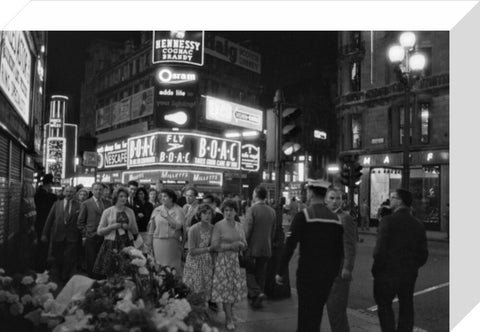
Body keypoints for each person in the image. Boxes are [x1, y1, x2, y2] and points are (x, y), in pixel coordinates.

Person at [275, 179, 344, 332]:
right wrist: (334, 274)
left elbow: (290, 245)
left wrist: (280, 271)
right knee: (317, 311)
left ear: (311, 193)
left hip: (307, 274)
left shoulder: (304, 216)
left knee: (305, 314)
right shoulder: (336, 220)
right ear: (325, 194)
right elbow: (339, 251)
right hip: (326, 276)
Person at [372, 189, 428, 332]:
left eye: (392, 197)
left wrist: (377, 269)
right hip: (408, 273)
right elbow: (423, 254)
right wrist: (413, 265)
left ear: (400, 201)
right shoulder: (418, 224)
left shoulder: (388, 221)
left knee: (384, 306)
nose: (390, 200)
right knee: (406, 306)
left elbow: (380, 250)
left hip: (387, 272)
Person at [211, 199, 247, 331]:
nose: (228, 213)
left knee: (233, 290)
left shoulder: (239, 225)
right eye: (226, 210)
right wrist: (231, 246)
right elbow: (214, 246)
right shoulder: (219, 225)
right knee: (226, 291)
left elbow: (244, 242)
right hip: (222, 261)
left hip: (235, 261)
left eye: (231, 210)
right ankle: (229, 318)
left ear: (235, 211)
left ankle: (229, 313)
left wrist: (242, 246)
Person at [325, 188, 357, 332]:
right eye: (331, 198)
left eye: (337, 198)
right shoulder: (324, 216)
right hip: (325, 269)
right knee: (331, 309)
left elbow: (350, 245)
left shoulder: (345, 218)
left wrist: (347, 267)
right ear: (325, 199)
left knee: (336, 309)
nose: (335, 201)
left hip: (338, 271)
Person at [93, 187, 139, 278]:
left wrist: (128, 227)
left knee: (127, 273)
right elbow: (99, 231)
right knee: (111, 274)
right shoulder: (108, 211)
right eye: (121, 196)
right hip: (111, 245)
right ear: (115, 198)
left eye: (125, 196)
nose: (124, 198)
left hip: (127, 244)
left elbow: (135, 231)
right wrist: (111, 227)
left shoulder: (130, 211)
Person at [244, 185, 276, 308]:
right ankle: (258, 297)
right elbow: (273, 231)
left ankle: (256, 293)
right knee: (261, 273)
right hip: (266, 248)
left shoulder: (252, 210)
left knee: (250, 272)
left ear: (256, 195)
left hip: (253, 248)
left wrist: (244, 244)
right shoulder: (272, 211)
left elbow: (247, 231)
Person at [41, 185, 81, 282]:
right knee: (57, 257)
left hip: (72, 236)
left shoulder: (79, 205)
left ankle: (65, 276)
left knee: (69, 258)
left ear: (74, 193)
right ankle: (58, 275)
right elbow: (49, 220)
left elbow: (82, 221)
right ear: (63, 193)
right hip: (58, 235)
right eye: (67, 191)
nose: (69, 193)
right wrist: (44, 234)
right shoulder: (56, 204)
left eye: (71, 192)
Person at [77, 182, 111, 279]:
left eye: (100, 189)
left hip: (105, 236)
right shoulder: (86, 204)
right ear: (92, 191)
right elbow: (80, 222)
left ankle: (102, 282)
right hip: (91, 237)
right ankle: (92, 281)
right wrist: (86, 234)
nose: (98, 191)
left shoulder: (108, 203)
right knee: (91, 262)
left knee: (103, 260)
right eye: (96, 189)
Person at [148, 188, 185, 274]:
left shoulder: (179, 210)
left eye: (165, 196)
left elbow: (178, 226)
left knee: (172, 268)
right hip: (157, 242)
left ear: (171, 198)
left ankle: (174, 285)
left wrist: (167, 217)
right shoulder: (157, 210)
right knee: (159, 268)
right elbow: (151, 228)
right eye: (161, 196)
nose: (162, 198)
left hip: (172, 242)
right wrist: (149, 244)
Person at [182, 204, 215, 301]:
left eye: (209, 213)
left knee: (206, 288)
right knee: (194, 289)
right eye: (204, 213)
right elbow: (191, 251)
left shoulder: (213, 228)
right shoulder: (193, 229)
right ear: (199, 215)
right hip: (195, 262)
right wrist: (208, 249)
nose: (207, 216)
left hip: (207, 261)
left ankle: (205, 309)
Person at [34, 173, 58, 271]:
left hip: (40, 222)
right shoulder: (44, 195)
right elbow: (48, 208)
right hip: (43, 223)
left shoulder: (39, 193)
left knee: (42, 245)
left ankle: (41, 265)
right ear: (49, 184)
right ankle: (40, 267)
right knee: (43, 245)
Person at [132, 187, 154, 251]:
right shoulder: (134, 203)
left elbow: (152, 216)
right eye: (138, 194)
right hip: (137, 230)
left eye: (142, 194)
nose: (140, 195)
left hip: (146, 230)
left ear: (145, 194)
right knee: (137, 249)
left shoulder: (149, 204)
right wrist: (138, 216)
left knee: (146, 248)